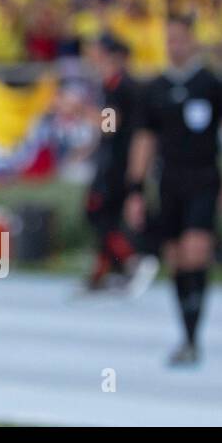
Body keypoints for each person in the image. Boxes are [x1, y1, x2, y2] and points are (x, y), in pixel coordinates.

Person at [126, 13, 222, 366]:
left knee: (197, 250)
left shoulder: (211, 84)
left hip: (204, 177)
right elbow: (144, 141)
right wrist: (135, 188)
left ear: (192, 40)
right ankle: (187, 335)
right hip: (170, 181)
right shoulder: (156, 89)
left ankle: (194, 338)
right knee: (177, 258)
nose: (174, 45)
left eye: (179, 38)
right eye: (169, 39)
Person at [82, 33, 158, 296]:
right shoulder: (116, 84)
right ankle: (104, 272)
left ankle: (132, 260)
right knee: (106, 215)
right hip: (116, 159)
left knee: (98, 212)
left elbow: (110, 125)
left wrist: (79, 111)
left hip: (117, 162)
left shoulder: (118, 85)